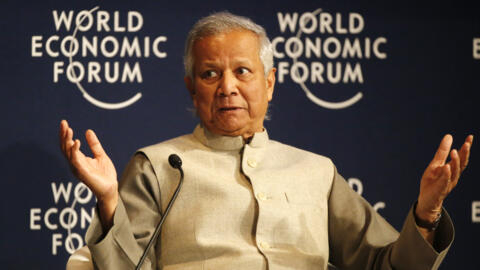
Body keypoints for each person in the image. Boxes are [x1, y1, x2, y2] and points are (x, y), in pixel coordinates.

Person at [59, 12, 473, 270]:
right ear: (192, 88)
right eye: (210, 74)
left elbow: (387, 265)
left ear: (270, 82)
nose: (227, 87)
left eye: (242, 71)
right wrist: (110, 201)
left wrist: (426, 213)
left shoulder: (316, 170)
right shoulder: (158, 164)